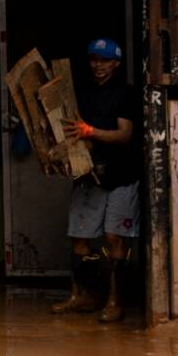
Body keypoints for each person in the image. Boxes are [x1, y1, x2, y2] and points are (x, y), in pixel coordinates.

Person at [54, 38, 142, 323]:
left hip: (121, 176)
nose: (99, 65)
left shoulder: (126, 94)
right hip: (88, 174)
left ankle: (115, 301)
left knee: (115, 237)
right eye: (94, 59)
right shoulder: (82, 93)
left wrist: (90, 131)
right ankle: (82, 295)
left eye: (105, 60)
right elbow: (70, 129)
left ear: (116, 63)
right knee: (78, 237)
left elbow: (124, 135)